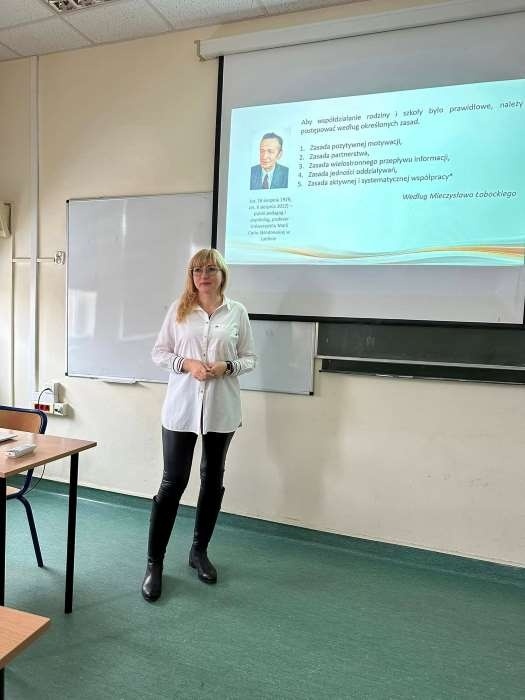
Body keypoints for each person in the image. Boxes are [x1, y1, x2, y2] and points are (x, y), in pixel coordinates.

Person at [142, 248, 256, 602]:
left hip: (221, 410)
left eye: (210, 269)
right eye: (196, 270)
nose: (203, 275)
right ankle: (154, 563)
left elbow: (250, 358)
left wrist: (227, 367)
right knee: (172, 482)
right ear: (191, 276)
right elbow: (159, 353)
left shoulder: (237, 312)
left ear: (222, 274)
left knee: (212, 479)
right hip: (181, 410)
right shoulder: (180, 309)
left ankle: (198, 552)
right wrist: (186, 364)